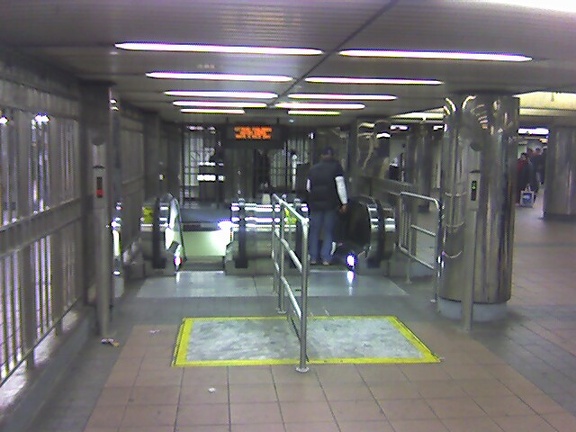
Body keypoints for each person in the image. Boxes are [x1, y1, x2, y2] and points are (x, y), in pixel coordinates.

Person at [306, 146, 348, 265]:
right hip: (330, 205)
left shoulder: (313, 169)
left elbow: (308, 187)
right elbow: (341, 186)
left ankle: (313, 257)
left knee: (314, 231)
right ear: (332, 156)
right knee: (328, 231)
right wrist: (344, 203)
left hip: (315, 205)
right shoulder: (336, 168)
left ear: (321, 156)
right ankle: (326, 258)